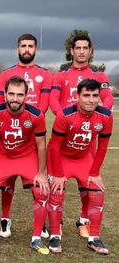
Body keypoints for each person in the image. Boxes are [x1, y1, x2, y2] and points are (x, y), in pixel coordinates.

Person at [49, 35, 114, 238]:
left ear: (90, 51)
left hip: (88, 139)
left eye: (86, 48)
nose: (82, 51)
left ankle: (83, 220)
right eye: (78, 48)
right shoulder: (60, 76)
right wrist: (66, 119)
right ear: (72, 51)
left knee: (88, 186)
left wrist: (98, 114)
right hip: (67, 130)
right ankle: (54, 223)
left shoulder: (100, 77)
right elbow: (53, 99)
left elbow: (108, 98)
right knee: (56, 185)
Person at [0, 33, 53, 239]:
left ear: (35, 49)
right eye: (23, 46)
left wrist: (32, 121)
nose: (26, 49)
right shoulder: (6, 74)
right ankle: (5, 218)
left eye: (30, 46)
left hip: (32, 130)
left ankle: (41, 223)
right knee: (7, 180)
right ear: (17, 48)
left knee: (40, 182)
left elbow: (44, 104)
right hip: (8, 134)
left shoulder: (45, 74)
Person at [0, 76, 50, 254]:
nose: (15, 98)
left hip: (27, 156)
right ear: (4, 94)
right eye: (11, 93)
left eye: (20, 95)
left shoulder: (36, 115)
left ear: (26, 95)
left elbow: (42, 145)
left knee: (41, 190)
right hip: (2, 155)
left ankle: (36, 238)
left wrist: (42, 173)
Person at [47, 79, 112, 255]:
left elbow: (103, 146)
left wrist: (95, 172)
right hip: (61, 159)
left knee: (97, 192)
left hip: (83, 159)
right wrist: (59, 175)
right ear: (77, 97)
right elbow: (53, 147)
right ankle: (55, 235)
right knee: (57, 192)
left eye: (95, 96)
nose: (91, 100)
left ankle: (94, 238)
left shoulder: (105, 116)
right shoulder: (65, 115)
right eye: (86, 95)